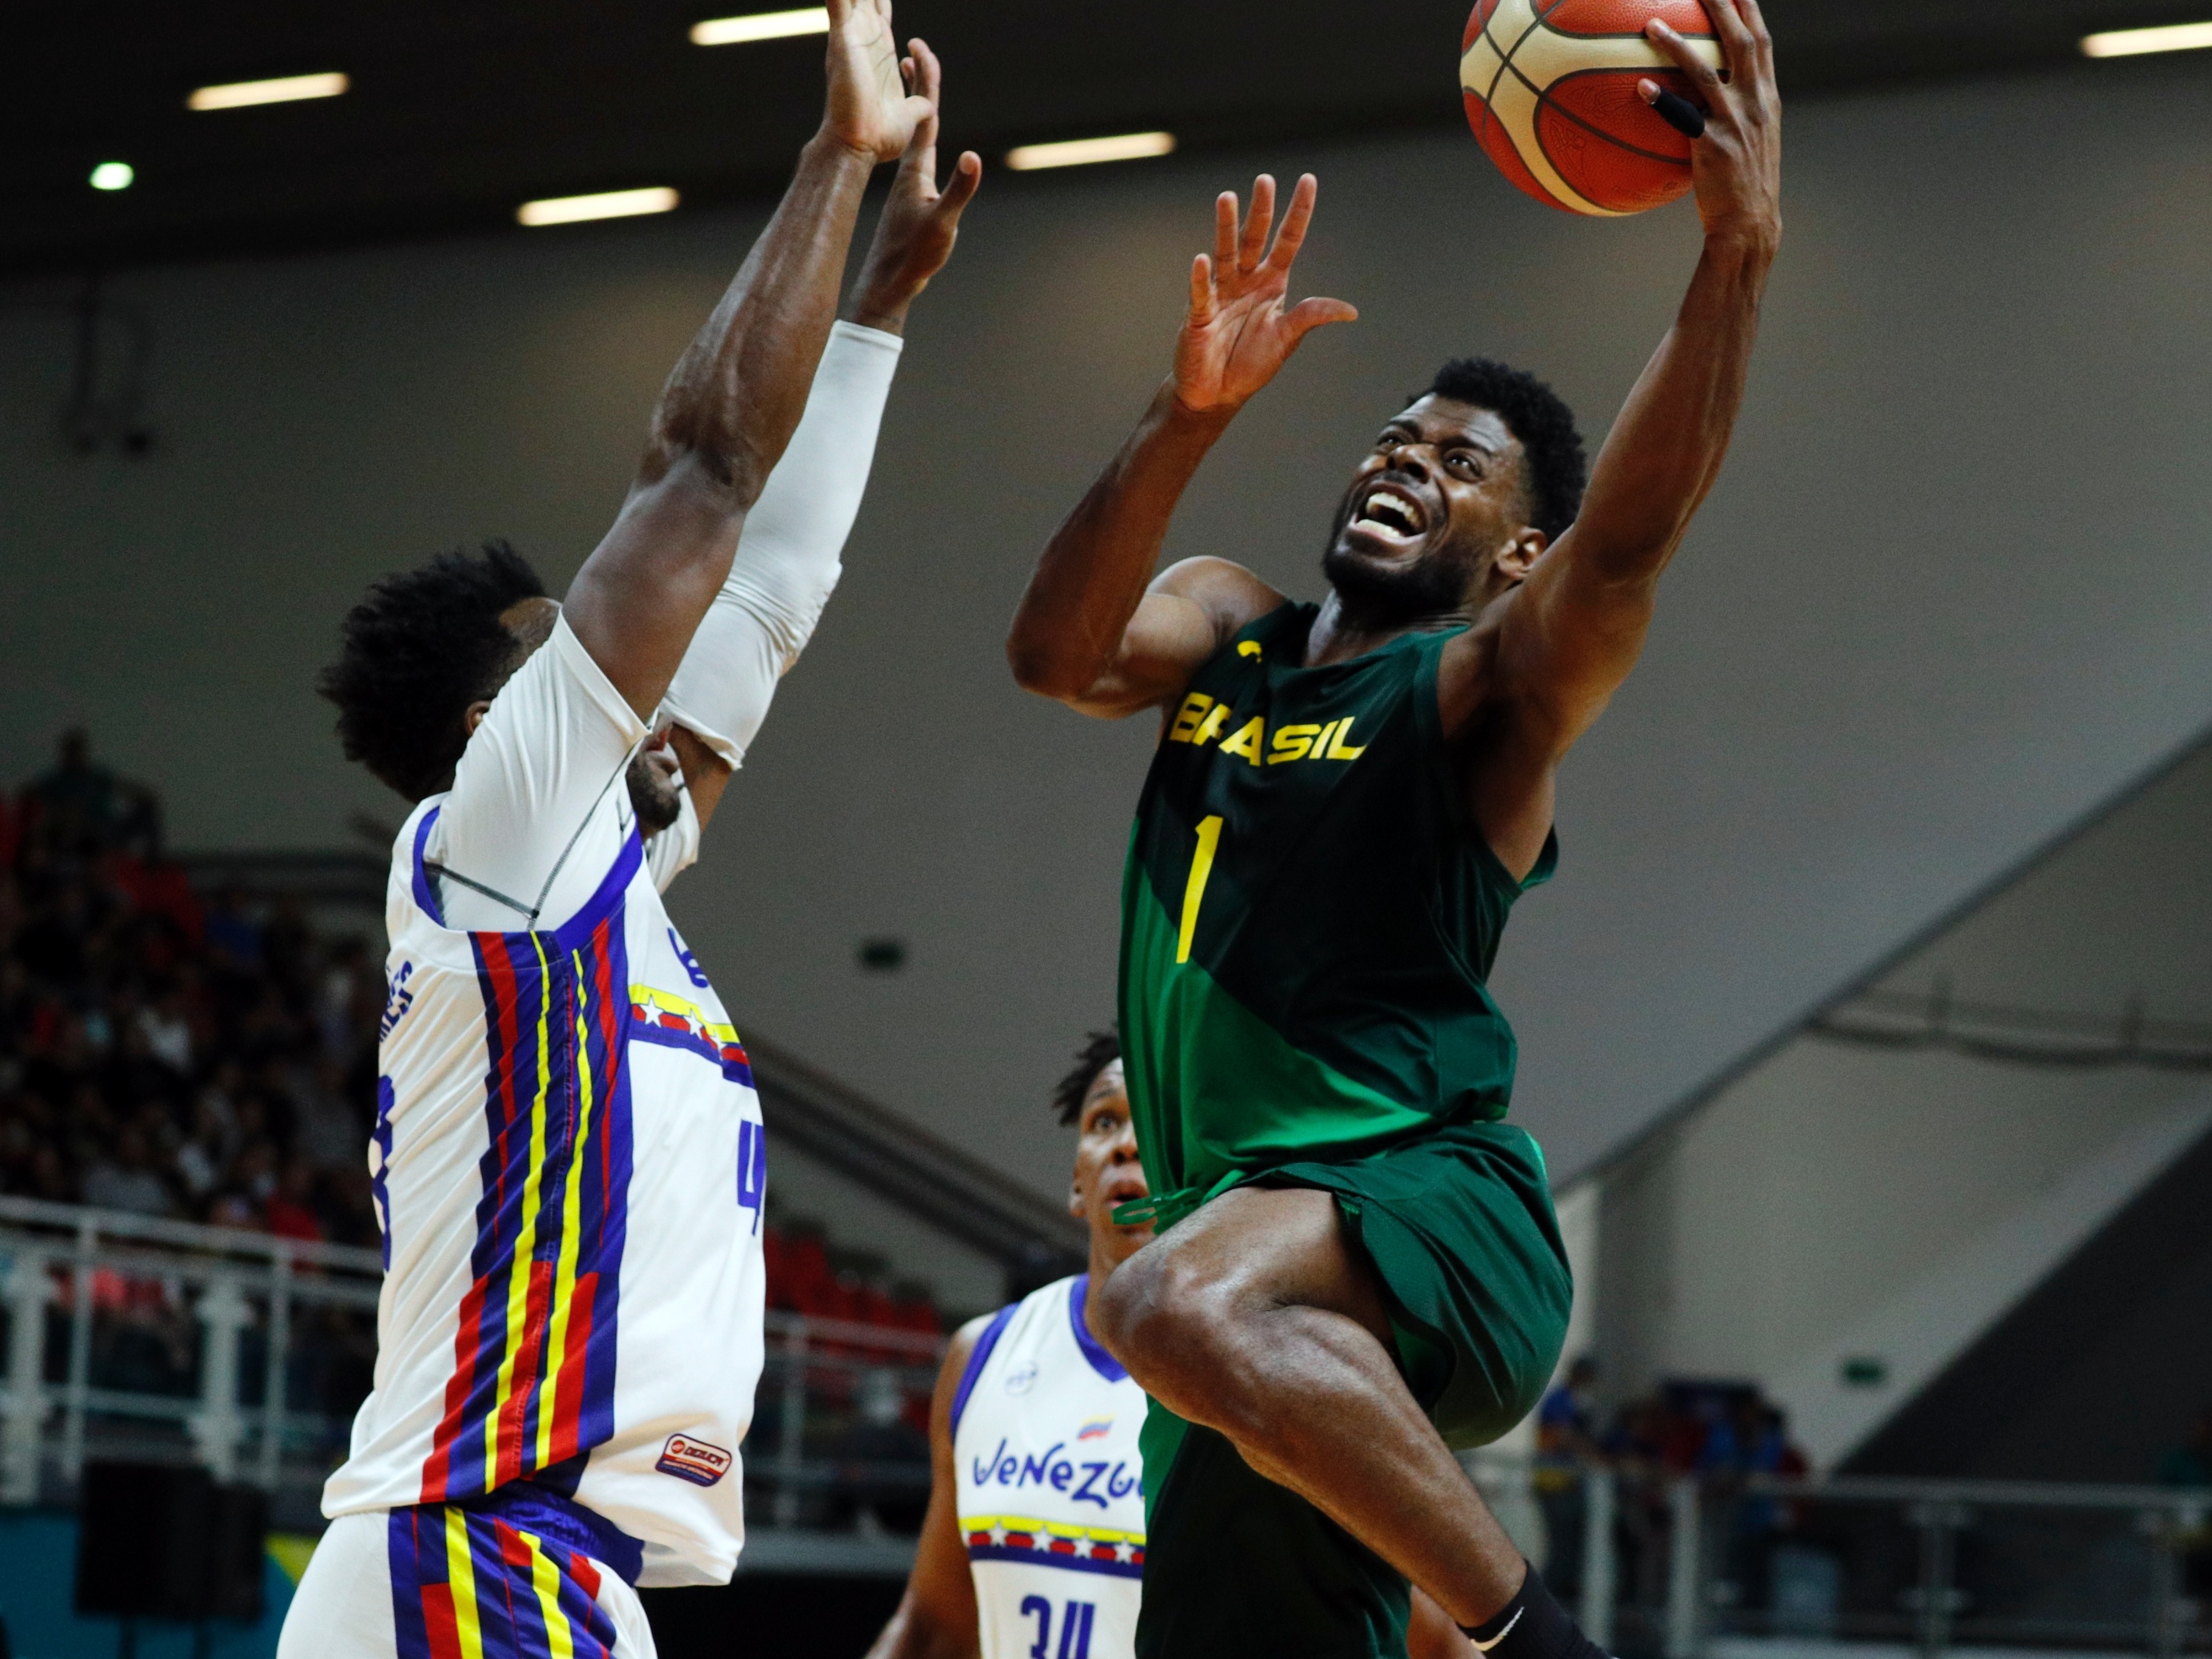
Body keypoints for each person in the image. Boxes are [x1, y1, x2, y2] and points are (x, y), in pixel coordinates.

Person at [1003, 4, 1781, 1655]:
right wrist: (1185, 409)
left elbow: (1626, 550)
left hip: (1423, 1207)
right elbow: (1056, 654)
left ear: (1515, 552)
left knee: (1156, 1298)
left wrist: (1730, 262)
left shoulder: (1478, 688)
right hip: (1249, 1283)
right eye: (1393, 439)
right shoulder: (1229, 620)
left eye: (1460, 467)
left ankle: (1535, 1635)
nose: (1405, 464)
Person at [279, 7, 981, 1655]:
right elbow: (710, 470)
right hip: (477, 1543)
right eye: (574, 654)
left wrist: (880, 301)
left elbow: (777, 591)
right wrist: (838, 160)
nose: (644, 661)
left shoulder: (599, 871)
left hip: (531, 1556)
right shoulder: (499, 830)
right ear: (494, 723)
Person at [866, 1031, 1471, 1659]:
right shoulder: (983, 1354)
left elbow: (1434, 1638)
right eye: (1105, 1122)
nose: (1129, 1144)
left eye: (1159, 1123)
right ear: (1078, 1180)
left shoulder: (1277, 1371)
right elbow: (934, 1629)